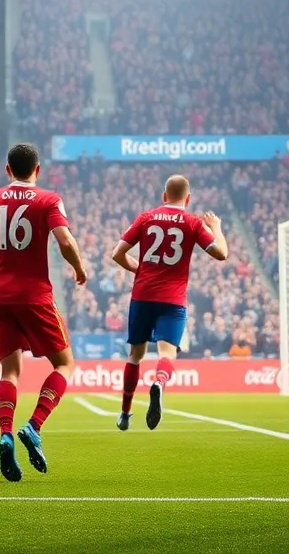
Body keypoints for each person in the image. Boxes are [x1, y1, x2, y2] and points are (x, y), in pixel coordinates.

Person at [0, 142, 87, 482]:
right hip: (35, 296)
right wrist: (79, 269)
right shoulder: (48, 199)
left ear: (7, 169)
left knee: (9, 372)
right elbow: (66, 242)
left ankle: (6, 433)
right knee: (65, 364)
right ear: (36, 171)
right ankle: (34, 425)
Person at [110, 175, 227, 430]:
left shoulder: (146, 217)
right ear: (188, 199)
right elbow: (222, 254)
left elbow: (117, 254)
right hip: (172, 300)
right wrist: (215, 226)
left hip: (142, 296)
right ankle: (159, 383)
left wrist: (139, 270)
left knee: (135, 356)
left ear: (164, 196)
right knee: (167, 352)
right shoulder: (193, 223)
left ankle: (125, 414)